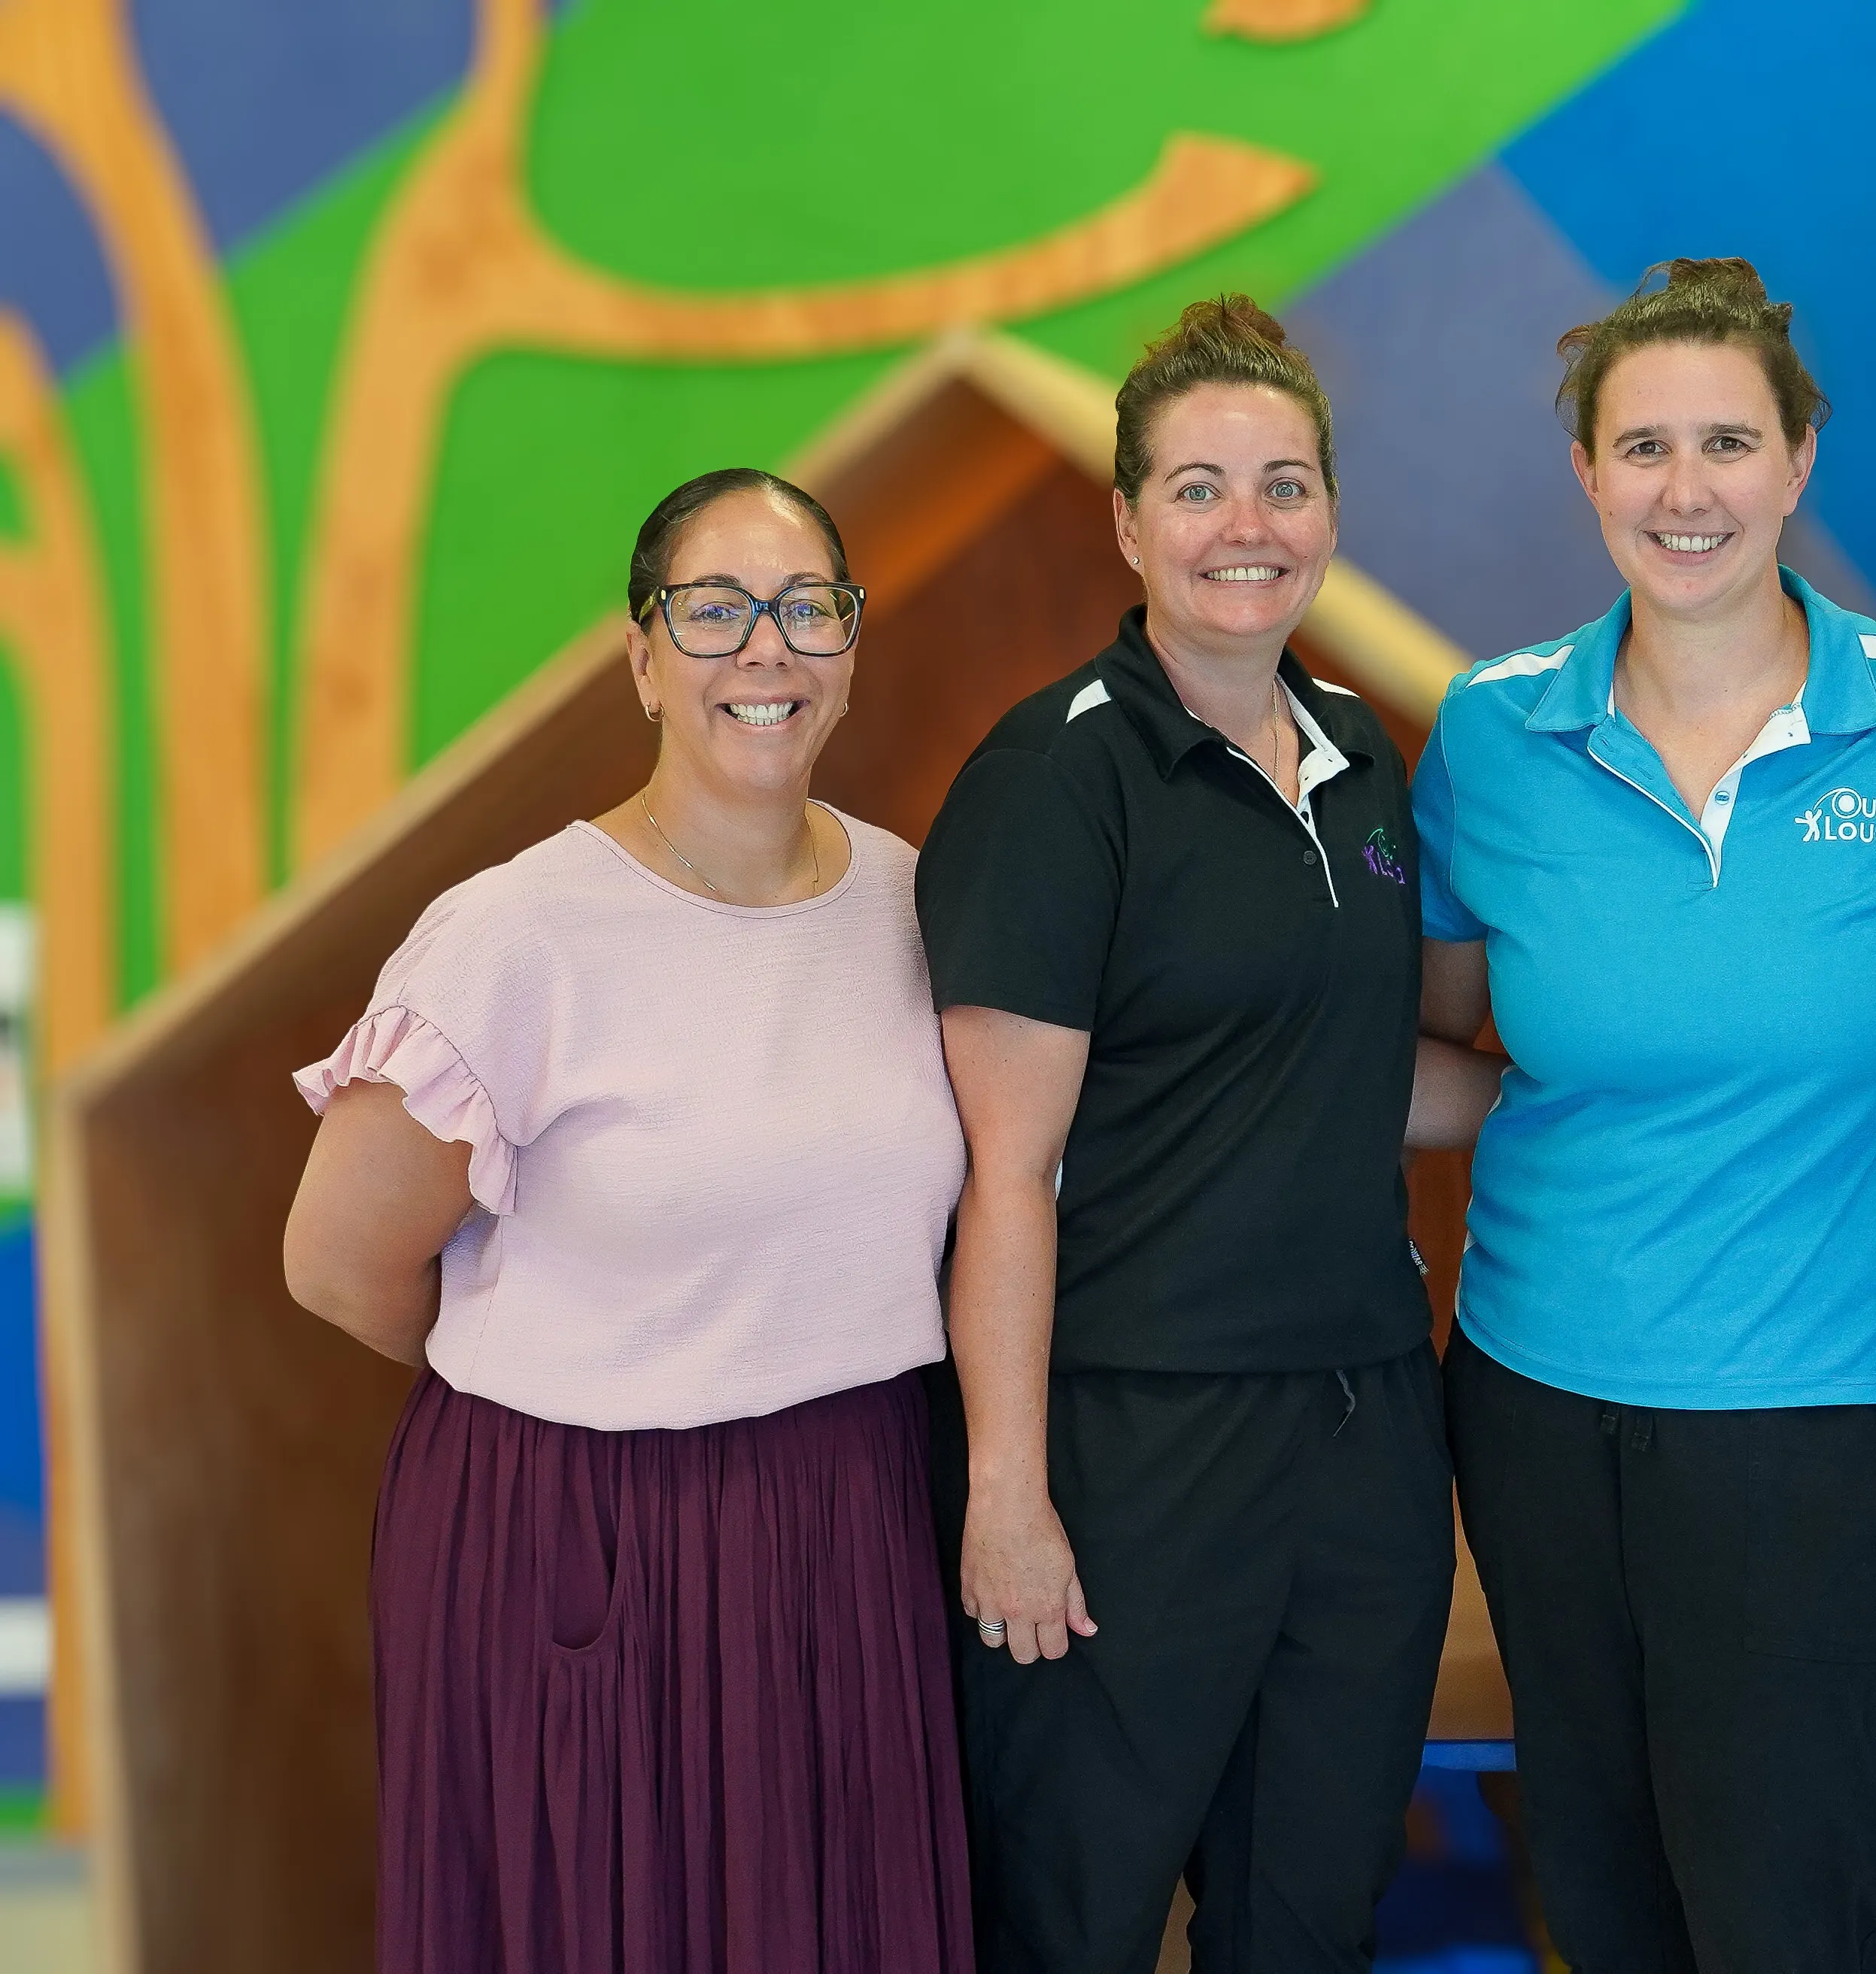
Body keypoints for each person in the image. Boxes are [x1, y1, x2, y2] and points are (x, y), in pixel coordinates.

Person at [1407, 257, 1876, 1972]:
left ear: (1800, 457)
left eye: (1729, 444)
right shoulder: (1491, 728)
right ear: (1588, 473)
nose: (1687, 492)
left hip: (1835, 1417)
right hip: (1543, 1410)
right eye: (1644, 448)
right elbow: (1454, 1046)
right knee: (1605, 1905)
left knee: (1796, 1914)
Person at [281, 468, 973, 1971]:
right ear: (645, 656)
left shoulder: (919, 904)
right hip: (571, 1533)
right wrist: (578, 1371)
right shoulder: (514, 936)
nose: (765, 650)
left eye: (806, 609)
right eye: (713, 611)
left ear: (851, 645)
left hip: (850, 1515)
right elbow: (337, 1264)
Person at [916, 296, 1450, 1974]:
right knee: (1073, 1910)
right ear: (1131, 520)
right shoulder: (1055, 781)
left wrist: (1622, 1089)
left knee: (1312, 1910)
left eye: (1284, 483)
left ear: (1332, 517)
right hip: (1129, 1439)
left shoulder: (1362, 754)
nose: (1248, 526)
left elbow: (1359, 1064)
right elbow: (1003, 1166)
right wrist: (1007, 1489)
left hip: (1363, 1428)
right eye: (1201, 486)